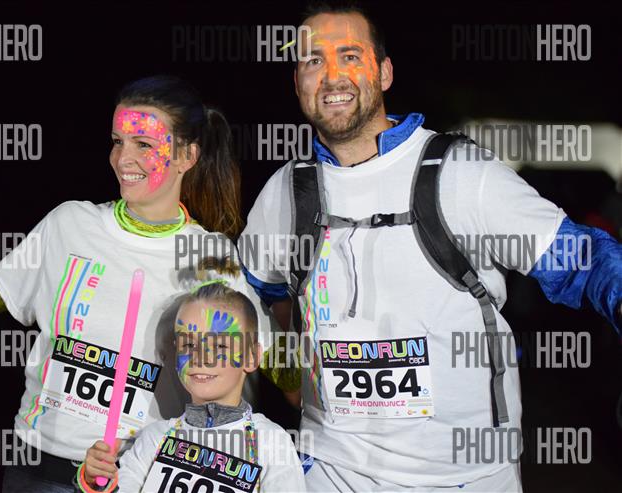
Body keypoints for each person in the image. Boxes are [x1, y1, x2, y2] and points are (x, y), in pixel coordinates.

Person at [242, 2, 622, 492]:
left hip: (466, 476)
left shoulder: (462, 174)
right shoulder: (285, 191)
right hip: (332, 471)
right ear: (298, 82)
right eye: (313, 60)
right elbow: (257, 294)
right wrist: (290, 379)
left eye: (350, 56)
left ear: (384, 72)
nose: (332, 75)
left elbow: (582, 263)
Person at [0, 75, 276, 492]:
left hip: (135, 476)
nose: (123, 158)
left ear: (187, 156)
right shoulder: (70, 223)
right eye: (117, 141)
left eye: (143, 144)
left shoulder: (209, 256)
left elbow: (264, 357)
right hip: (38, 470)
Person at [80, 259, 305, 493]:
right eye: (189, 344)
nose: (200, 357)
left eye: (219, 346)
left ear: (251, 357)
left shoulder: (271, 443)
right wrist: (95, 482)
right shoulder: (154, 438)